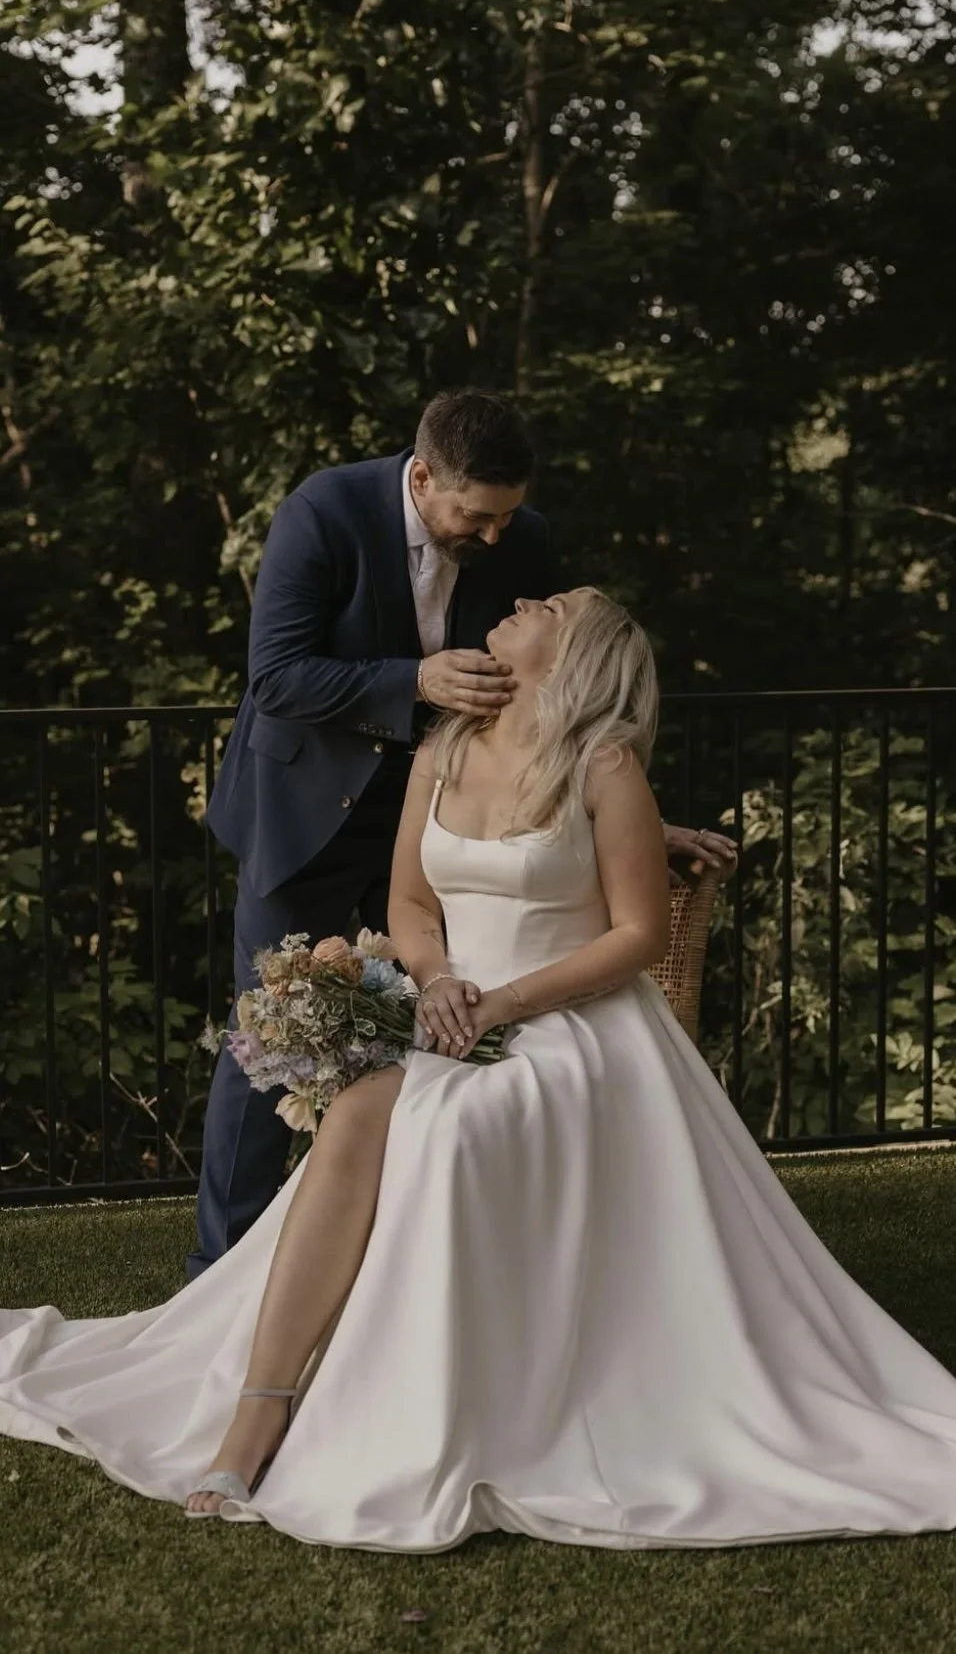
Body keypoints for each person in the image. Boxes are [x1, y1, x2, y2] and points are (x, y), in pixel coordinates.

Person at [2, 587, 956, 1552]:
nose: (525, 598)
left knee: (452, 1128)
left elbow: (640, 934)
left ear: (577, 649)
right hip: (454, 1004)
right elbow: (411, 899)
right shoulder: (446, 746)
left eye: (555, 603)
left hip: (581, 1030)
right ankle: (261, 1403)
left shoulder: (605, 764)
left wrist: (504, 1003)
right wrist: (439, 977)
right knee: (357, 1115)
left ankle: (453, 1401)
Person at [191, 388, 736, 1281]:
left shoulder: (521, 537)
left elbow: (558, 703)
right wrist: (414, 679)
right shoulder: (322, 514)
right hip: (307, 816)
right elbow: (276, 677)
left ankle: (401, 1263)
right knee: (271, 1039)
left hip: (442, 830)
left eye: (508, 518)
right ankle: (219, 1265)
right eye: (477, 517)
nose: (496, 540)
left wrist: (623, 822)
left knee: (417, 1038)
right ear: (422, 476)